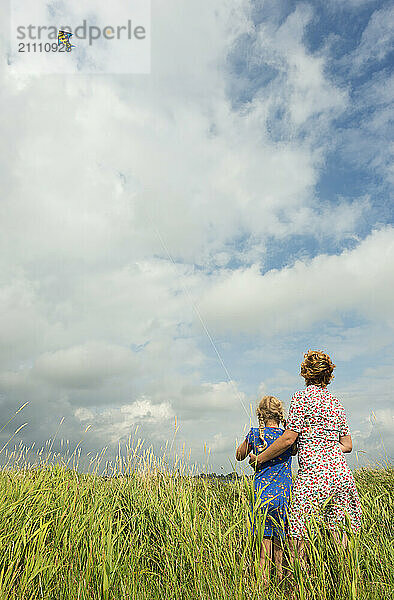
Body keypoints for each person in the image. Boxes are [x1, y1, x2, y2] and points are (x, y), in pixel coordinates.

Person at [249, 350, 362, 562]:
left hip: (313, 475)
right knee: (338, 534)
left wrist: (260, 458)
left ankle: (297, 590)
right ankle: (347, 583)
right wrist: (326, 447)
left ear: (306, 372)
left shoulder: (301, 398)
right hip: (340, 475)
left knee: (298, 535)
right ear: (328, 374)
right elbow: (347, 445)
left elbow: (289, 439)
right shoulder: (336, 403)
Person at [236, 395, 296, 584]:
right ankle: (279, 581)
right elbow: (294, 451)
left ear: (259, 414)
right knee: (280, 546)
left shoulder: (254, 434)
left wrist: (251, 447)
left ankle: (263, 587)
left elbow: (239, 455)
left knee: (263, 549)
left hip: (262, 494)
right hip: (284, 495)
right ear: (280, 414)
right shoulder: (287, 436)